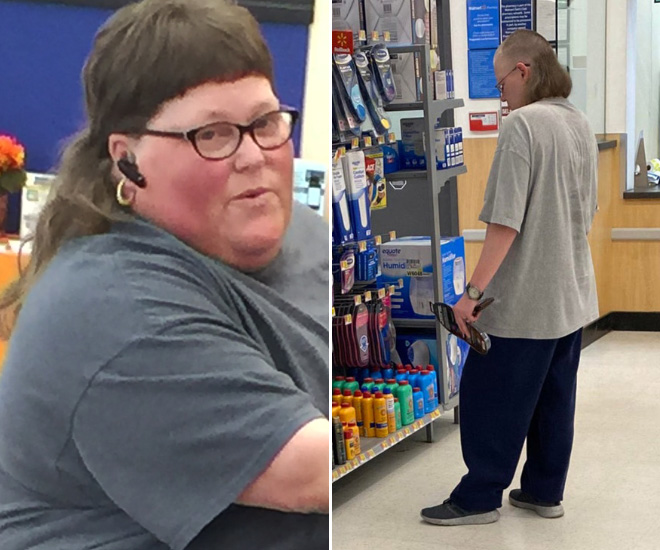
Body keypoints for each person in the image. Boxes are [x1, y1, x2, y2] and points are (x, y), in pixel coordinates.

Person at [0, 1, 329, 548]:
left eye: (267, 123)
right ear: (128, 160)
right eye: (214, 134)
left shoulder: (305, 232)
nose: (254, 156)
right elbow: (312, 474)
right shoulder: (113, 308)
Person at [421, 29, 599, 526]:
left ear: (524, 71)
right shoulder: (577, 122)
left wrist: (471, 295)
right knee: (554, 399)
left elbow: (505, 221)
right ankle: (544, 491)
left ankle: (478, 498)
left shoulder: (523, 125)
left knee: (491, 399)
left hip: (525, 302)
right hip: (572, 296)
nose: (501, 95)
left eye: (501, 83)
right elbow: (588, 210)